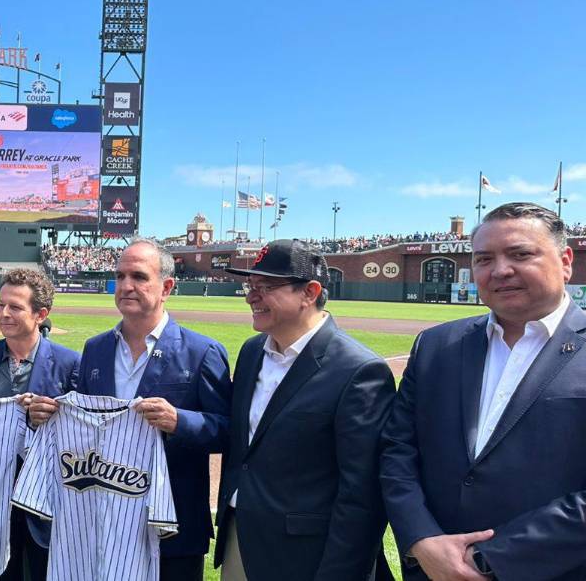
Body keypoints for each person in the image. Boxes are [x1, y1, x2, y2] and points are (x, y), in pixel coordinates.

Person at [382, 201, 586, 581]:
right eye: (483, 259)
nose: (500, 270)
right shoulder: (436, 346)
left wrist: (488, 560)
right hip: (431, 569)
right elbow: (397, 450)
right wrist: (421, 538)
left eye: (521, 254)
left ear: (566, 261)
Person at [214, 239, 396, 581]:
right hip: (242, 537)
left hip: (308, 556)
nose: (252, 296)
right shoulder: (253, 351)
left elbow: (363, 496)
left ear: (310, 292)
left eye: (266, 287)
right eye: (250, 286)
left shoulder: (358, 370)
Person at [71, 238, 232, 580]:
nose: (126, 285)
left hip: (173, 524)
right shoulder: (95, 349)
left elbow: (229, 431)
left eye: (139, 277)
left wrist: (179, 421)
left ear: (167, 287)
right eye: (121, 275)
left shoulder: (202, 352)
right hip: (104, 519)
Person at [0, 267, 80, 581]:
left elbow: (85, 433)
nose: (4, 313)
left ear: (40, 314)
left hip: (46, 502)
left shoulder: (69, 362)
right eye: (0, 304)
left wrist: (55, 416)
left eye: (15, 307)